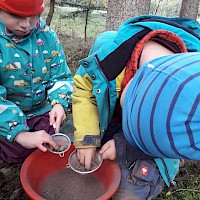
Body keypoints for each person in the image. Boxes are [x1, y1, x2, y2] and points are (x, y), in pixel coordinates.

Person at [72, 15, 200, 199]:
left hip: (148, 152)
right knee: (72, 137)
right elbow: (84, 89)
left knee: (129, 189)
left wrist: (126, 147)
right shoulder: (108, 60)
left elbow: (166, 144)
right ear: (134, 79)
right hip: (107, 118)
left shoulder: (189, 107)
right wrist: (87, 137)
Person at [0, 0, 73, 164]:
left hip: (40, 109)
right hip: (6, 112)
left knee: (53, 139)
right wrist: (20, 134)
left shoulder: (47, 36)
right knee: (17, 152)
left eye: (34, 17)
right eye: (16, 16)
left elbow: (61, 76)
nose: (26, 24)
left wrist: (59, 103)